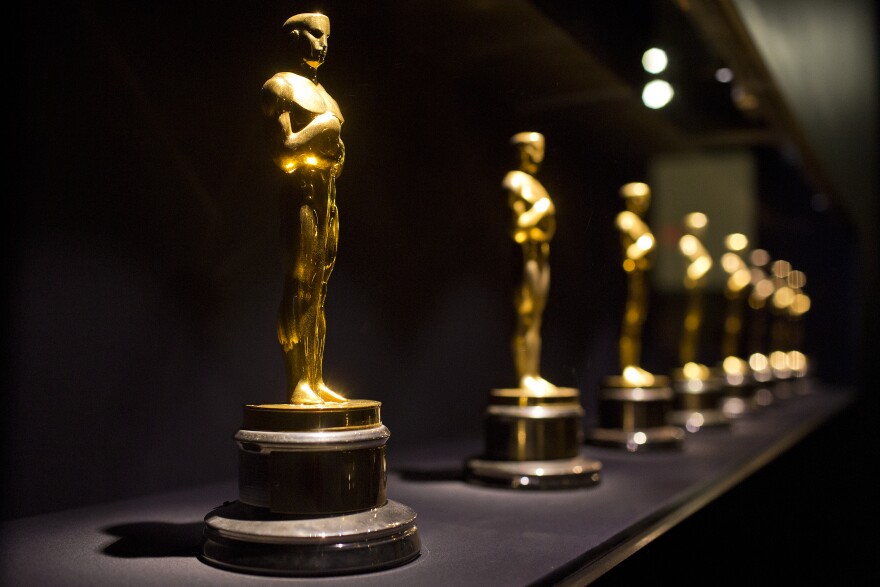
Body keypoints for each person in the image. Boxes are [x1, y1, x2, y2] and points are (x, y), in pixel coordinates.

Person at [261, 13, 346, 404]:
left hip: (326, 199)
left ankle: (314, 377)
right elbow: (283, 155)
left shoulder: (327, 96)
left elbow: (336, 157)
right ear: (295, 37)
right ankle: (299, 384)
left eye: (326, 36)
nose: (323, 43)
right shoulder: (279, 87)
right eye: (315, 34)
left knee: (320, 291)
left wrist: (332, 146)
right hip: (299, 199)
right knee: (299, 284)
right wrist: (322, 130)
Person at [503, 132, 557, 394]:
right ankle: (524, 376)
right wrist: (540, 210)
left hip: (540, 253)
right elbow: (518, 229)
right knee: (526, 317)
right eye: (535, 149)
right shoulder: (514, 181)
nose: (539, 155)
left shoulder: (535, 184)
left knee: (536, 319)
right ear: (523, 151)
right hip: (525, 256)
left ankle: (533, 373)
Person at [614, 182, 657, 386]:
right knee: (630, 321)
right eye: (639, 197)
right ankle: (628, 366)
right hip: (629, 278)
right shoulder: (626, 219)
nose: (642, 202)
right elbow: (632, 252)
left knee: (637, 320)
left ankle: (633, 364)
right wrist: (646, 244)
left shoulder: (639, 223)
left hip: (639, 276)